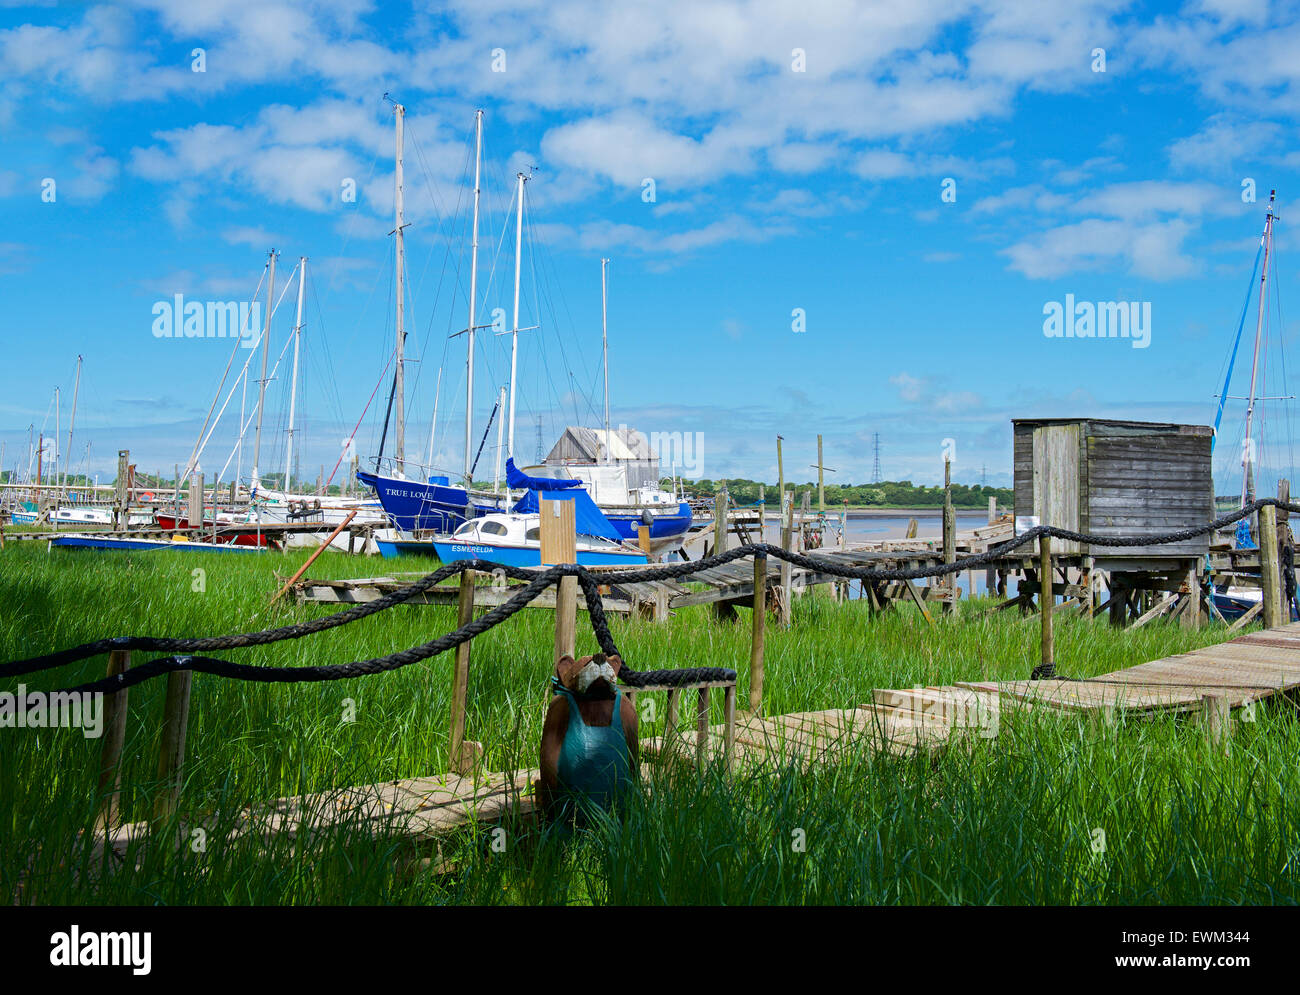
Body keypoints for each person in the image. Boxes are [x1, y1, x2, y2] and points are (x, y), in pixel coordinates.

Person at [538, 653, 638, 824]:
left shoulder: (624, 708)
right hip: (570, 820)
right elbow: (549, 768)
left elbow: (633, 765)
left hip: (615, 819)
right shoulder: (562, 707)